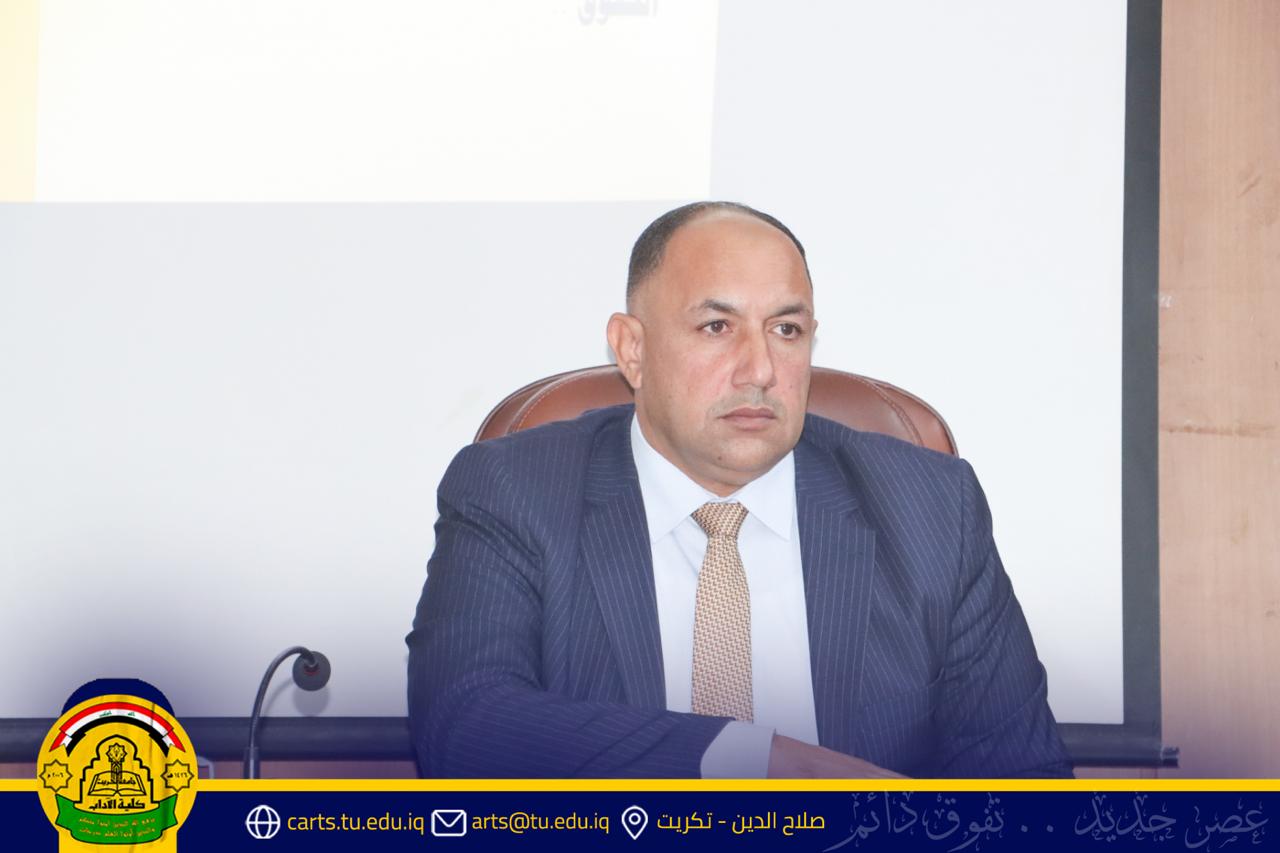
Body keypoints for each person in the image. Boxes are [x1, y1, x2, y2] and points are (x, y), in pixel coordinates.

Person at [406, 201, 1072, 778]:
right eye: (717, 327)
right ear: (632, 350)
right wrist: (752, 759)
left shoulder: (930, 508)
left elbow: (1023, 785)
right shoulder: (515, 491)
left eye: (786, 330)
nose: (760, 370)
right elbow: (465, 726)